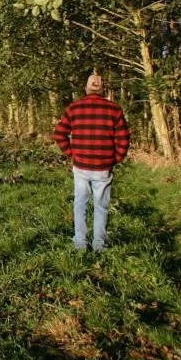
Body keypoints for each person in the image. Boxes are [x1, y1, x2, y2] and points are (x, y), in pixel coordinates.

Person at [53, 73, 130, 252]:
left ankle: (80, 243)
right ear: (103, 89)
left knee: (80, 203)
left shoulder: (74, 108)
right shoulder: (114, 109)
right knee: (101, 206)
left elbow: (59, 133)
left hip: (80, 165)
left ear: (86, 88)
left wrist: (71, 152)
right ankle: (99, 245)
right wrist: (115, 159)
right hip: (103, 168)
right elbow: (124, 140)